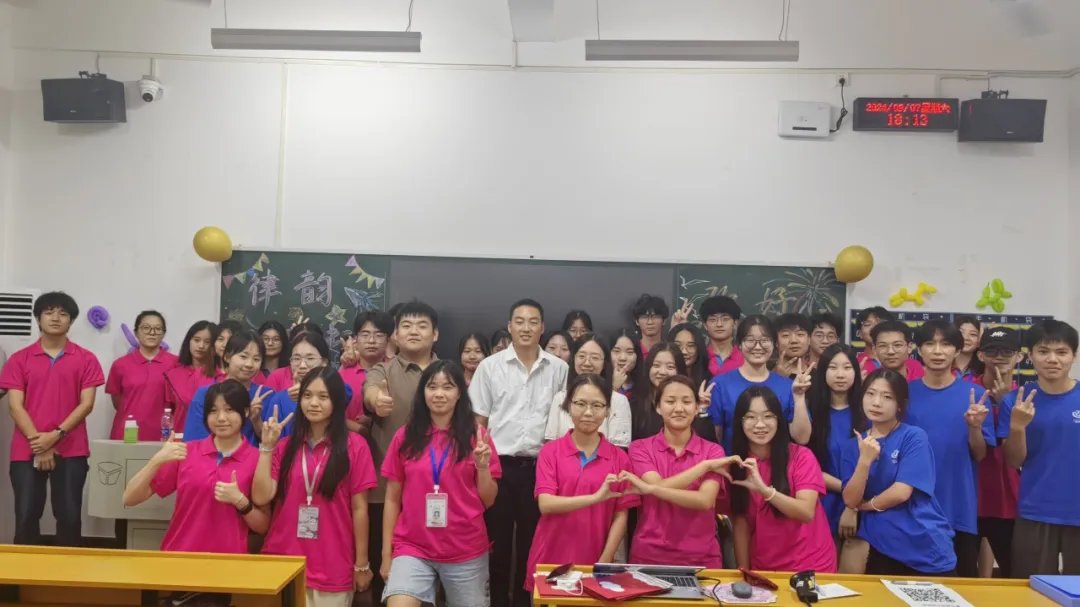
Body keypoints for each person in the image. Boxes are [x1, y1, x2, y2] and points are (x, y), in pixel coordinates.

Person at [470, 299, 568, 607]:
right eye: (520, 321)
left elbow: (564, 419)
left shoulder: (559, 369)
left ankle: (527, 601)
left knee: (533, 545)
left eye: (533, 321)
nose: (526, 328)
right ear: (510, 326)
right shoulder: (490, 366)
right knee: (496, 544)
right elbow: (479, 419)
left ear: (542, 328)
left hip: (542, 469)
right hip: (498, 467)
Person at [255, 367, 378, 607]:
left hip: (333, 565)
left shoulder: (355, 446)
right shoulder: (284, 446)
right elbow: (261, 497)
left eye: (323, 397)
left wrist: (362, 564)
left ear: (337, 401)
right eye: (307, 395)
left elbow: (359, 509)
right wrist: (267, 447)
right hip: (282, 560)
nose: (313, 403)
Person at [380, 360, 498, 607]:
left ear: (460, 393)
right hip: (413, 546)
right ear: (423, 393)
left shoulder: (477, 437)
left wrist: (482, 467)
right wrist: (386, 554)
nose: (439, 394)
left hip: (465, 549)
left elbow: (488, 500)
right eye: (432, 387)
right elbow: (392, 498)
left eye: (448, 387)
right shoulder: (406, 436)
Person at [0, 291, 104, 546]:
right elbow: (15, 406)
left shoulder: (86, 359)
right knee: (26, 517)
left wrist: (55, 436)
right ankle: (22, 572)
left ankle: (68, 571)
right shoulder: (19, 359)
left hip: (71, 448)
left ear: (71, 321)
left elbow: (86, 404)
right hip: (26, 449)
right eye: (49, 312)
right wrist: (40, 444)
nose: (56, 318)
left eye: (63, 313)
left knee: (69, 519)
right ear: (38, 318)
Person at [123, 380, 270, 552]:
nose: (221, 418)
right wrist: (156, 460)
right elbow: (129, 499)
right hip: (179, 555)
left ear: (245, 411)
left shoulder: (257, 459)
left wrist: (241, 502)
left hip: (228, 560)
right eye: (213, 411)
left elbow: (263, 526)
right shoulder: (186, 452)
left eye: (229, 410)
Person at [528, 374, 638, 591]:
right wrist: (595, 498)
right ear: (569, 406)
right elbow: (546, 504)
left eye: (597, 405)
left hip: (594, 560)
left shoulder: (619, 458)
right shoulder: (551, 452)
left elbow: (621, 516)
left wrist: (603, 562)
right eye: (580, 404)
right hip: (549, 559)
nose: (588, 412)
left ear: (608, 410)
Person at [841, 369, 956, 576]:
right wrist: (864, 461)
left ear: (900, 405)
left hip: (922, 541)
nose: (876, 402)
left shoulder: (913, 436)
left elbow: (901, 492)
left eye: (887, 397)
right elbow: (850, 499)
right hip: (881, 544)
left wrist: (864, 507)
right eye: (870, 394)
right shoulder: (852, 446)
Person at [362, 301, 440, 599]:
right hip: (387, 491)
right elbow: (370, 392)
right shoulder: (382, 370)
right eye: (406, 325)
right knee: (386, 571)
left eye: (422, 325)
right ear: (395, 335)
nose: (414, 331)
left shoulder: (448, 375)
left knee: (435, 573)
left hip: (437, 491)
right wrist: (376, 400)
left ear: (435, 334)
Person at [906, 320, 993, 577]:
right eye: (929, 344)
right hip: (911, 509)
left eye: (945, 344)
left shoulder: (976, 395)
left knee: (960, 588)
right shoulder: (903, 394)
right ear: (918, 350)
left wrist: (975, 427)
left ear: (957, 350)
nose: (937, 351)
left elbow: (979, 454)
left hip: (958, 508)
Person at [621, 376, 735, 567]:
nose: (679, 408)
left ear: (697, 408)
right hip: (649, 555)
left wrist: (651, 489)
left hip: (702, 557)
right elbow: (658, 486)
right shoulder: (640, 447)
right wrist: (703, 467)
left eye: (687, 402)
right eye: (670, 401)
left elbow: (704, 501)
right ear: (658, 407)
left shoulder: (713, 451)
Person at [998, 320, 1080, 577]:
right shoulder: (1015, 401)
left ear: (1074, 356)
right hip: (1035, 510)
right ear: (1030, 356)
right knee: (1030, 587)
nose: (1052, 359)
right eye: (1043, 351)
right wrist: (1018, 426)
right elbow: (1013, 461)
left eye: (1061, 352)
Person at [730, 386, 836, 573]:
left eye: (768, 416)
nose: (760, 424)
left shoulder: (801, 456)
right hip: (765, 565)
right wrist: (744, 572)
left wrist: (765, 491)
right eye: (751, 417)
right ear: (740, 421)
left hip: (812, 564)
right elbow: (741, 523)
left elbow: (806, 512)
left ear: (779, 419)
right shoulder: (738, 464)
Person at [709, 315, 811, 453]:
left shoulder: (788, 386)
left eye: (765, 340)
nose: (758, 346)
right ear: (739, 344)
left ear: (774, 344)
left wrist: (799, 398)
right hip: (734, 463)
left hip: (779, 464)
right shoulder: (719, 385)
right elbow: (715, 440)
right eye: (750, 340)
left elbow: (802, 438)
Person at [806, 344, 867, 572]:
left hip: (862, 506)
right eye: (833, 367)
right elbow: (808, 467)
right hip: (820, 503)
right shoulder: (811, 411)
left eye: (847, 367)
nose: (840, 374)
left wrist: (852, 506)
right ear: (822, 372)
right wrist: (849, 493)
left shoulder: (868, 413)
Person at [974, 327, 1023, 578]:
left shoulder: (1026, 398)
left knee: (1016, 574)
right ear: (980, 355)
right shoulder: (966, 392)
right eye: (992, 351)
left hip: (1010, 500)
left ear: (1020, 357)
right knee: (958, 575)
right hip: (969, 499)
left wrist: (1007, 403)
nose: (999, 357)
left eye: (1007, 351)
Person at [182, 330, 273, 445]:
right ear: (227, 357)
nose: (249, 364)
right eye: (243, 356)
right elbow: (194, 441)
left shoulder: (266, 395)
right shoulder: (205, 394)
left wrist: (256, 420)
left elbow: (271, 441)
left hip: (252, 456)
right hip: (210, 456)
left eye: (256, 359)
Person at [544, 334, 632, 448]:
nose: (587, 363)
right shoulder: (560, 398)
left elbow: (618, 450)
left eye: (595, 358)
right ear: (574, 359)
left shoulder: (618, 401)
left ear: (604, 363)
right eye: (581, 356)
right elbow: (551, 445)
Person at [106, 310, 179, 441]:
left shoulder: (176, 364)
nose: (152, 332)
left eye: (158, 329)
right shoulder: (120, 364)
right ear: (136, 332)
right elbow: (117, 402)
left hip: (164, 436)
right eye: (146, 328)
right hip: (126, 435)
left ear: (163, 333)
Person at [258, 332, 334, 442]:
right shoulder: (279, 399)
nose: (302, 365)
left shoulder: (335, 392)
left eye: (310, 358)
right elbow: (270, 441)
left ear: (324, 362)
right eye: (296, 359)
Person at [341, 311, 393, 434]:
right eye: (365, 335)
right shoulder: (341, 375)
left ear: (388, 339)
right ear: (356, 339)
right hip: (347, 442)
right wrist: (355, 427)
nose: (371, 340)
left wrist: (374, 421)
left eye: (379, 335)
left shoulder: (396, 373)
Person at [164, 321, 218, 434]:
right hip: (180, 438)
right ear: (189, 341)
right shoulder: (173, 375)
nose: (201, 346)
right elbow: (168, 413)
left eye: (207, 342)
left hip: (213, 438)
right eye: (196, 340)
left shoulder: (220, 375)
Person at [629, 343, 688, 442]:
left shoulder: (688, 403)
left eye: (670, 367)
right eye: (656, 365)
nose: (662, 372)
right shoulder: (635, 405)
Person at [700, 295, 743, 377]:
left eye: (725, 319)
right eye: (712, 320)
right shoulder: (699, 358)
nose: (719, 324)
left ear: (735, 323)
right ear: (705, 325)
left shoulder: (746, 358)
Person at [668, 323, 709, 390]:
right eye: (678, 345)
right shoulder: (662, 377)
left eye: (690, 346)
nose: (684, 351)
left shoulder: (710, 381)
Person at [774, 313, 812, 378]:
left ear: (809, 339)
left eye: (800, 334)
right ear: (776, 342)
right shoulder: (765, 375)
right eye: (786, 335)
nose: (794, 340)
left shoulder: (821, 376)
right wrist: (777, 378)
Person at [610, 329, 643, 398]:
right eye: (616, 351)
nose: (622, 358)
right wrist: (614, 386)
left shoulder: (646, 386)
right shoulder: (599, 383)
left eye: (629, 352)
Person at [953, 315, 983, 381]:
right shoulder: (942, 366)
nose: (966, 338)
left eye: (973, 334)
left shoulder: (984, 370)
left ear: (979, 341)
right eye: (961, 333)